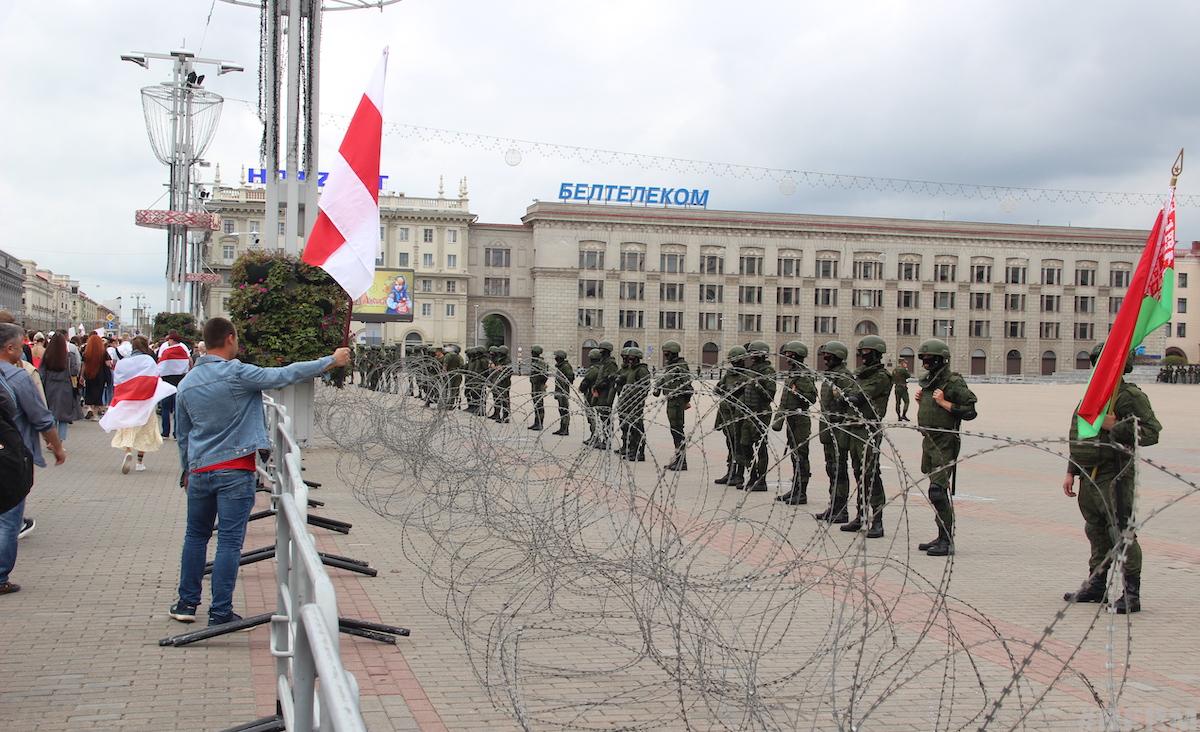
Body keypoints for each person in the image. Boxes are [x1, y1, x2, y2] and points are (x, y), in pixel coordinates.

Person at [169, 317, 350, 626]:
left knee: (195, 536)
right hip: (235, 469)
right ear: (229, 338)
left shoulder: (186, 382)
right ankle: (220, 611)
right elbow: (284, 375)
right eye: (236, 339)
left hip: (199, 471)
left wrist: (187, 470)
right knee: (228, 541)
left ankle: (186, 604)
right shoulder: (237, 373)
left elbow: (182, 434)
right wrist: (331, 361)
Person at [1062, 343, 1160, 614]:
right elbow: (1081, 435)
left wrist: (1114, 426)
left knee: (1120, 532)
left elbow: (1152, 432)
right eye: (1097, 363)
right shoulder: (1093, 396)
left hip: (1114, 474)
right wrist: (1071, 471)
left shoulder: (1128, 396)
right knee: (1095, 531)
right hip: (1088, 476)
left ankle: (1131, 594)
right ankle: (1096, 586)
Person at [0, 322, 67, 595]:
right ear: (11, 348)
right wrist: (57, 447)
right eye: (20, 347)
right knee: (8, 518)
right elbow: (41, 417)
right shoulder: (18, 378)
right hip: (12, 456)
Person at [913, 339, 977, 556]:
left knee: (938, 491)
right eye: (923, 359)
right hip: (929, 440)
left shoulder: (953, 382)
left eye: (929, 359)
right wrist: (924, 402)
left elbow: (970, 410)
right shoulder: (929, 382)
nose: (925, 363)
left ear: (940, 359)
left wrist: (944, 403)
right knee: (935, 491)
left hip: (945, 441)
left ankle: (947, 540)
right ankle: (940, 535)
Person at [840, 335, 892, 538]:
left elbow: (858, 395)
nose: (863, 357)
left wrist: (847, 396)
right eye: (861, 353)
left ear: (877, 354)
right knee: (857, 472)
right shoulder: (860, 374)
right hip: (854, 426)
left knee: (870, 473)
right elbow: (846, 393)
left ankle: (877, 520)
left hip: (868, 429)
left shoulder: (881, 377)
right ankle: (861, 516)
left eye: (867, 353)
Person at [108, 338, 168, 474]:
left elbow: (117, 381)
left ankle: (128, 451)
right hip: (145, 401)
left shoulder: (124, 362)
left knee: (128, 427)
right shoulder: (148, 361)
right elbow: (156, 378)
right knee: (146, 430)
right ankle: (140, 462)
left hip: (128, 400)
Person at [812, 341, 853, 523]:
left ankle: (841, 510)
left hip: (838, 428)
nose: (825, 359)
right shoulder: (831, 375)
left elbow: (850, 401)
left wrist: (840, 399)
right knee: (831, 468)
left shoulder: (844, 376)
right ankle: (833, 505)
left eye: (828, 356)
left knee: (839, 468)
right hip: (828, 427)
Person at [774, 341, 817, 505]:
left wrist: (797, 392)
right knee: (794, 455)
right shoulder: (793, 373)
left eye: (790, 355)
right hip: (791, 419)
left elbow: (811, 397)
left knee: (801, 456)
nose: (787, 358)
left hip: (800, 420)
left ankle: (802, 492)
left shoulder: (803, 375)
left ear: (797, 356)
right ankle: (795, 488)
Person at [736, 341, 777, 492]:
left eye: (754, 353)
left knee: (760, 447)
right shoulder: (750, 370)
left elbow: (770, 395)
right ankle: (752, 475)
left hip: (761, 413)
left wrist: (758, 385)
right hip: (748, 413)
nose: (751, 357)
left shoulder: (768, 371)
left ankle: (762, 480)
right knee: (745, 444)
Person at [654, 340, 693, 471]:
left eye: (667, 354)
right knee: (674, 430)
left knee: (677, 431)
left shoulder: (680, 366)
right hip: (672, 401)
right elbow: (666, 380)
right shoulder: (671, 366)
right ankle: (678, 459)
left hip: (677, 401)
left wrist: (685, 401)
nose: (665, 356)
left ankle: (682, 461)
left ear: (673, 353)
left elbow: (687, 385)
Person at [713, 346, 748, 485]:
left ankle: (739, 474)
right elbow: (718, 388)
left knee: (738, 446)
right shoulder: (729, 374)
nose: (734, 363)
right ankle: (730, 472)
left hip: (737, 415)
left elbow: (743, 392)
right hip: (726, 414)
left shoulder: (746, 374)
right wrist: (725, 389)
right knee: (730, 445)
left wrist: (730, 391)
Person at [37, 333, 80, 441]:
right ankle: (59, 441)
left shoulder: (47, 356)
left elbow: (41, 373)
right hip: (66, 387)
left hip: (49, 387)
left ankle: (50, 439)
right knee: (63, 416)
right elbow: (75, 371)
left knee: (50, 413)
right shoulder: (70, 357)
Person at [615, 347, 651, 461]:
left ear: (637, 358)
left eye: (631, 358)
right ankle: (632, 450)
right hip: (628, 403)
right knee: (630, 427)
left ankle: (640, 452)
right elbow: (625, 379)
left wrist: (632, 394)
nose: (629, 361)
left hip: (635, 404)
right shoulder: (632, 370)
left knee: (637, 428)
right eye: (628, 358)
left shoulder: (641, 370)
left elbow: (644, 387)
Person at [157, 330, 191, 438]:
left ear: (172, 340)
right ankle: (177, 433)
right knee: (178, 409)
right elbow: (188, 363)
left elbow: (160, 366)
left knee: (165, 408)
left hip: (167, 382)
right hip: (179, 381)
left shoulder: (166, 351)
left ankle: (165, 432)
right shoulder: (184, 350)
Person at [81, 333, 110, 419]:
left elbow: (84, 365)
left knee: (89, 392)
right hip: (100, 375)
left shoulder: (87, 352)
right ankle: (96, 414)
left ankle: (90, 409)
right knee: (98, 393)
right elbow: (108, 364)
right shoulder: (103, 352)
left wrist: (82, 376)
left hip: (89, 374)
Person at [579, 348, 603, 444]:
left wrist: (581, 388)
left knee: (592, 417)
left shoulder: (593, 369)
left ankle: (594, 437)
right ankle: (596, 437)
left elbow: (586, 382)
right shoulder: (601, 368)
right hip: (597, 396)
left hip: (591, 396)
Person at [551, 350, 574, 436]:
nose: (555, 358)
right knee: (561, 410)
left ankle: (565, 429)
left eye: (556, 357)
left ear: (560, 357)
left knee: (564, 410)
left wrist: (564, 382)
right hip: (559, 391)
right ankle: (562, 428)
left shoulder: (566, 366)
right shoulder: (560, 367)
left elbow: (570, 377)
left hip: (563, 391)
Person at [528, 345, 549, 430]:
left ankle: (540, 423)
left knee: (539, 405)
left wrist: (540, 382)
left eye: (532, 351)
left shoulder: (540, 362)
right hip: (534, 386)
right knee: (536, 405)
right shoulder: (535, 361)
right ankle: (536, 422)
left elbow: (544, 375)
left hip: (538, 386)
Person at [489, 345, 512, 423]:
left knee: (505, 400)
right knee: (497, 399)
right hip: (498, 382)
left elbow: (509, 370)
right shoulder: (499, 359)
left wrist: (499, 368)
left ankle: (505, 416)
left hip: (504, 383)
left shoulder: (507, 360)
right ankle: (497, 414)